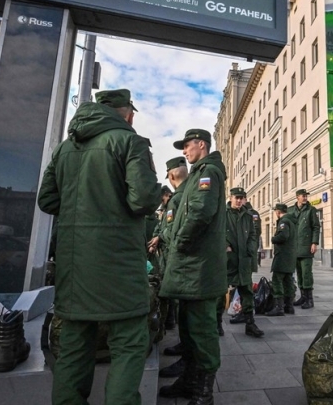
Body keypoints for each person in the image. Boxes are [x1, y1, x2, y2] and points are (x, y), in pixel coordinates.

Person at [37, 88, 161, 405]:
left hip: (74, 265)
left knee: (74, 345)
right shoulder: (130, 142)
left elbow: (47, 199)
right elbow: (144, 200)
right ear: (127, 113)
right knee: (129, 342)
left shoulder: (65, 148)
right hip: (118, 263)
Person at [158, 128, 227, 405]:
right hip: (191, 268)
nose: (184, 152)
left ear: (201, 144)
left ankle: (204, 393)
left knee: (202, 330)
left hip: (199, 268)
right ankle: (188, 381)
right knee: (187, 326)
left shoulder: (209, 172)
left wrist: (179, 244)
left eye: (187, 146)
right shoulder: (198, 173)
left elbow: (200, 212)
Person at [151, 157, 189, 379]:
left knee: (181, 304)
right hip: (172, 256)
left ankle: (188, 359)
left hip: (177, 257)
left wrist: (160, 237)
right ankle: (184, 349)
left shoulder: (175, 201)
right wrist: (159, 235)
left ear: (172, 176)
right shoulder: (174, 201)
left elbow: (173, 230)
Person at [216, 188, 264, 338]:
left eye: (241, 198)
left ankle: (250, 323)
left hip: (243, 259)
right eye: (236, 197)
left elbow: (253, 234)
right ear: (230, 197)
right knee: (220, 292)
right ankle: (217, 323)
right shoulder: (222, 213)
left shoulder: (248, 215)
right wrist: (224, 245)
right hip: (228, 259)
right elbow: (216, 231)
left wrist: (250, 249)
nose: (239, 200)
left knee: (247, 291)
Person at [290, 189, 320, 310]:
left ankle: (309, 299)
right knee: (299, 273)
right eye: (303, 196)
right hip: (295, 248)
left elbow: (316, 227)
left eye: (306, 196)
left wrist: (314, 242)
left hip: (306, 247)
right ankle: (302, 296)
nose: (305, 198)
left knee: (306, 273)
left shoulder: (311, 210)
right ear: (297, 197)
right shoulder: (291, 211)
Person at [266, 203, 297, 317]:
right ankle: (289, 306)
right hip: (290, 256)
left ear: (278, 212)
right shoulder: (292, 222)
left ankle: (279, 307)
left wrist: (273, 239)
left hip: (282, 256)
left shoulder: (284, 222)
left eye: (275, 212)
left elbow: (283, 236)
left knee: (277, 280)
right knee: (288, 281)